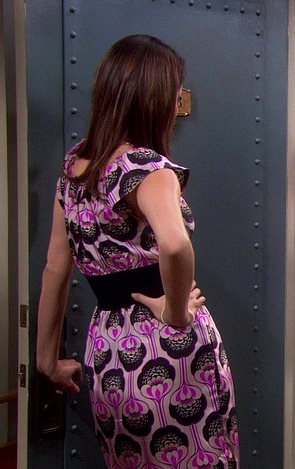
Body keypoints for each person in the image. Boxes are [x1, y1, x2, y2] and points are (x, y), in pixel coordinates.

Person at [36, 34, 239, 469]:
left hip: (108, 347)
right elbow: (175, 244)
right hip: (165, 349)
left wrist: (46, 360)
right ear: (154, 98)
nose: (176, 105)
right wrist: (176, 313)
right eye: (175, 94)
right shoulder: (146, 167)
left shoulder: (76, 165)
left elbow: (55, 267)